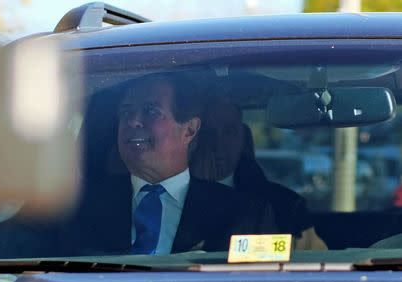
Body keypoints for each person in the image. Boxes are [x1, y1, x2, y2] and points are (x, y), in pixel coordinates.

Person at [65, 74, 277, 255]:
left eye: (151, 111)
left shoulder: (247, 213)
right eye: (126, 112)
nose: (133, 121)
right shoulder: (74, 205)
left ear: (189, 130)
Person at [191, 99, 327, 250]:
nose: (217, 144)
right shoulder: (167, 198)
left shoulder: (285, 207)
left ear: (242, 139)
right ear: (192, 137)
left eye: (229, 132)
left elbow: (313, 267)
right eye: (208, 132)